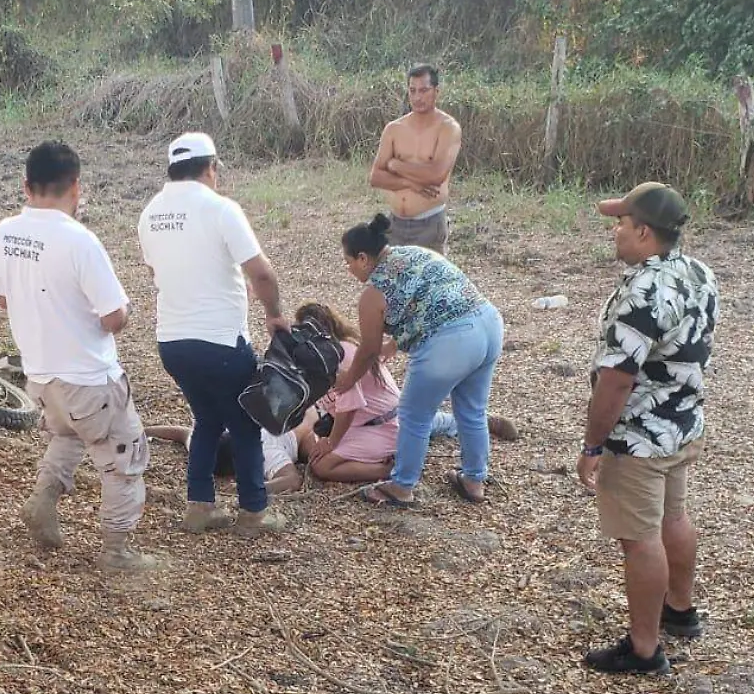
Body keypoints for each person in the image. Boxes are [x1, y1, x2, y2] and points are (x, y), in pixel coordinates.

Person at [0, 140, 159, 572]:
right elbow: (114, 317)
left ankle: (42, 502)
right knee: (123, 461)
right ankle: (117, 551)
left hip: (40, 375)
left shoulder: (5, 232)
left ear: (26, 186)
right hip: (89, 376)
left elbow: (3, 301)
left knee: (66, 437)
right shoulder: (81, 241)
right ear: (76, 187)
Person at [576, 182, 719, 676]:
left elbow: (616, 381)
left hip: (638, 433)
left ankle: (643, 647)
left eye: (620, 223)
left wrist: (593, 443)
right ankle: (680, 610)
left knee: (639, 539)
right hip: (681, 423)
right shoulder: (699, 273)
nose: (614, 231)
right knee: (673, 519)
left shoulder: (642, 293)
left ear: (643, 231)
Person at [138, 131, 289, 538]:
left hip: (171, 342)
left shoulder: (150, 213)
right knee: (244, 425)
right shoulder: (222, 209)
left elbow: (154, 273)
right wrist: (275, 315)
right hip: (220, 341)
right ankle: (254, 512)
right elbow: (261, 272)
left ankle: (200, 506)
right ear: (212, 167)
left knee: (205, 419)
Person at [333, 216, 504, 507]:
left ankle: (402, 486)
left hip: (451, 343)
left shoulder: (373, 294)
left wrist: (347, 380)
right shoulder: (415, 253)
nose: (348, 269)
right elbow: (432, 301)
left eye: (348, 261)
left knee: (413, 415)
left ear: (363, 258)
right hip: (488, 323)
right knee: (472, 410)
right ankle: (474, 480)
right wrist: (394, 343)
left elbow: (367, 350)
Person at [297, 301, 517, 485]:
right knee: (425, 423)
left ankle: (388, 470)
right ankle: (473, 423)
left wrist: (331, 443)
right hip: (397, 413)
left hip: (379, 425)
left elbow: (348, 409)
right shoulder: (352, 344)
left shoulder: (338, 356)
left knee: (322, 465)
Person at [368, 64, 461, 253]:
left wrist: (396, 165)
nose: (417, 97)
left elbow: (436, 175)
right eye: (412, 91)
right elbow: (376, 177)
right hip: (395, 224)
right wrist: (412, 185)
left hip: (429, 224)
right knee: (393, 281)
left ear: (436, 92)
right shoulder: (394, 129)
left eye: (424, 90)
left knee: (428, 281)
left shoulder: (448, 128)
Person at [145, 408, 321, 496]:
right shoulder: (205, 445)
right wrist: (146, 431)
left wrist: (250, 489)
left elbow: (292, 480)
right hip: (293, 409)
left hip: (310, 421)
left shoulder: (264, 450)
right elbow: (181, 432)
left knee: (317, 460)